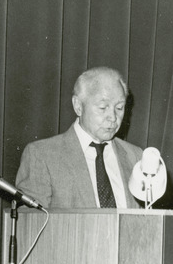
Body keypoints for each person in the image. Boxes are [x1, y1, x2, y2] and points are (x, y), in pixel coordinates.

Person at [15, 66, 143, 209]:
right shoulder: (42, 155)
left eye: (119, 108)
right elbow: (30, 223)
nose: (113, 117)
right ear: (78, 106)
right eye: (102, 107)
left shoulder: (136, 156)